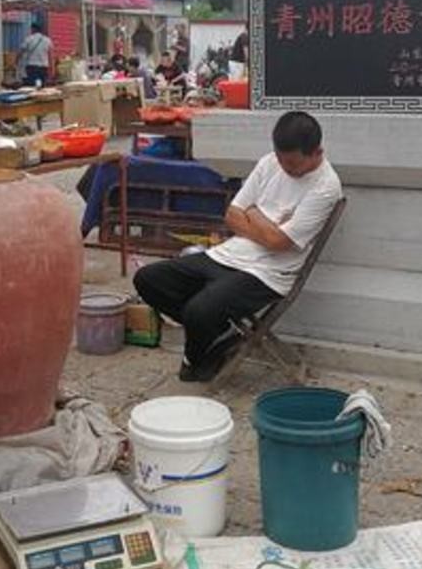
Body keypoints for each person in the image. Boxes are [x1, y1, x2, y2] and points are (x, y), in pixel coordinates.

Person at [134, 111, 343, 382]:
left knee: (200, 310)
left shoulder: (326, 186)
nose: (284, 168)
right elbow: (232, 216)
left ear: (317, 153)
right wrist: (268, 225)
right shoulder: (269, 163)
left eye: (292, 163)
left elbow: (278, 244)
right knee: (148, 279)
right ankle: (216, 334)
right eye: (280, 159)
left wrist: (253, 213)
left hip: (268, 273)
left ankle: (197, 356)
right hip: (229, 254)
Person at [16, 19, 53, 86]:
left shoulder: (29, 39)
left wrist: (16, 61)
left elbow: (20, 52)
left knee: (32, 85)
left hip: (32, 67)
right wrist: (51, 69)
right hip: (43, 67)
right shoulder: (47, 40)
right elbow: (50, 56)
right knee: (41, 85)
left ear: (33, 29)